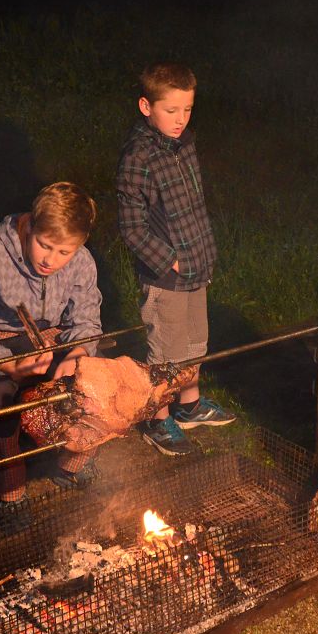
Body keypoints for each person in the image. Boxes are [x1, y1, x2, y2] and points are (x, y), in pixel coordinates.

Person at [0, 182, 103, 533]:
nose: (50, 260)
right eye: (44, 245)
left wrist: (77, 354)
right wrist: (10, 364)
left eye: (64, 252)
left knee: (95, 375)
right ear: (30, 225)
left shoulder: (81, 261)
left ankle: (71, 464)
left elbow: (86, 321)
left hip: (41, 331)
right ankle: (11, 493)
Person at [115, 62, 235, 456]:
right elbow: (132, 228)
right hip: (165, 276)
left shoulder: (183, 144)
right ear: (146, 106)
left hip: (197, 266)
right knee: (166, 352)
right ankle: (158, 418)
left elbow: (193, 207)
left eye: (187, 109)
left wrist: (202, 256)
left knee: (195, 342)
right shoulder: (138, 156)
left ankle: (189, 405)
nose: (180, 119)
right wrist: (172, 261)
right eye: (171, 110)